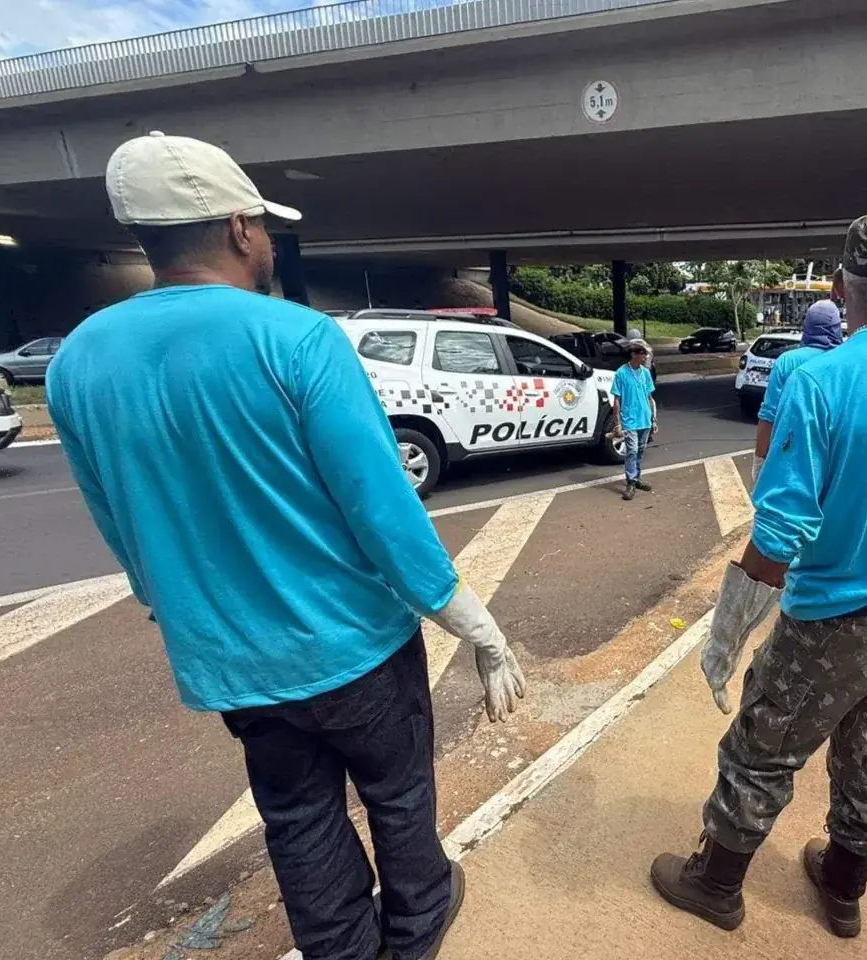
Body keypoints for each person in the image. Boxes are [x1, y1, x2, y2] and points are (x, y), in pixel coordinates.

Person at [47, 132, 526, 960]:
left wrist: (174, 607)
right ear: (239, 229)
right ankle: (416, 929)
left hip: (235, 663)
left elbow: (118, 523)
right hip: (356, 645)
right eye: (264, 225)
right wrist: (473, 623)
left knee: (298, 818)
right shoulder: (298, 339)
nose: (268, 242)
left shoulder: (76, 362)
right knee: (399, 796)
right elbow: (383, 510)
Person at [650, 211, 867, 939]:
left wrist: (729, 632)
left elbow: (780, 532)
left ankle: (715, 885)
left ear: (838, 286)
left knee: (761, 749)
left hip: (833, 616)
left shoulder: (820, 380)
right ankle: (843, 891)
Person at [752, 299, 842, 483]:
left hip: (791, 461)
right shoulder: (846, 361)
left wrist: (759, 462)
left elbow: (769, 415)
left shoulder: (787, 361)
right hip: (835, 461)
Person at [610, 338, 657, 501]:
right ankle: (631, 481)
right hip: (629, 420)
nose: (645, 357)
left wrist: (653, 418)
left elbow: (649, 397)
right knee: (632, 450)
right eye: (643, 354)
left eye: (646, 354)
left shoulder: (645, 373)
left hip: (644, 419)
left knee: (641, 450)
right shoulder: (621, 373)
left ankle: (637, 478)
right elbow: (616, 400)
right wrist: (617, 423)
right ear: (634, 354)